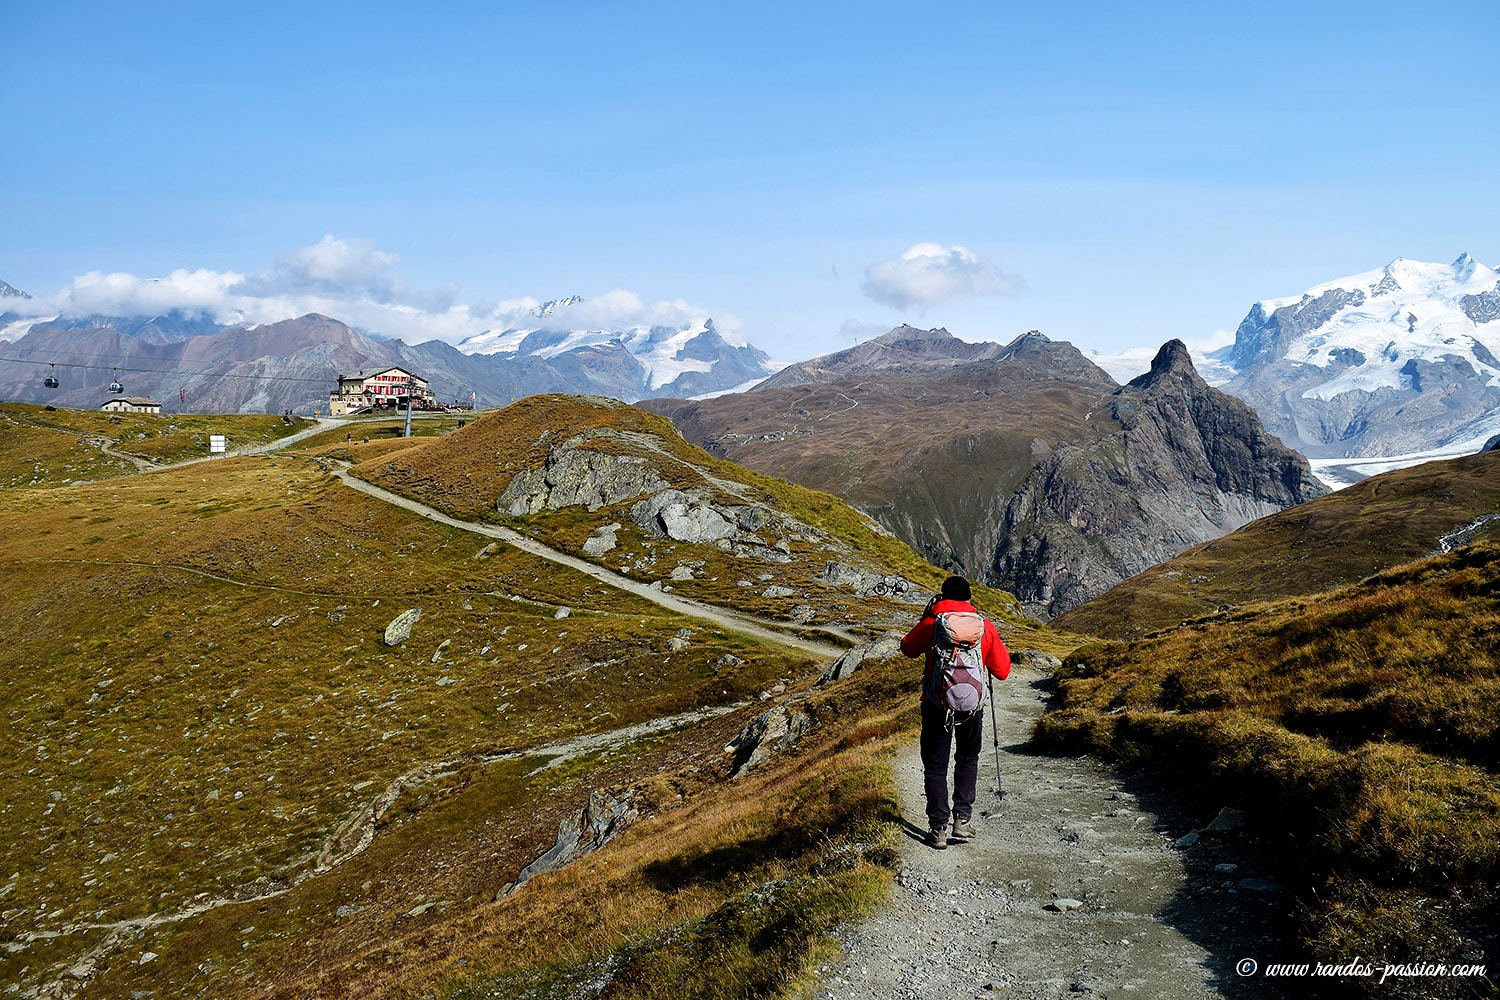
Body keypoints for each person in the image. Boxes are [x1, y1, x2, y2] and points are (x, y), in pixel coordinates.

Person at [901, 575, 1011, 849]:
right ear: (969, 599)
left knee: (936, 766)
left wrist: (926, 619)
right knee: (967, 758)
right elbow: (1003, 671)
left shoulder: (931, 625)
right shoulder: (984, 627)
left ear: (941, 597)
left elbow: (907, 648)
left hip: (936, 704)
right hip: (972, 708)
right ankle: (962, 821)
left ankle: (938, 829)